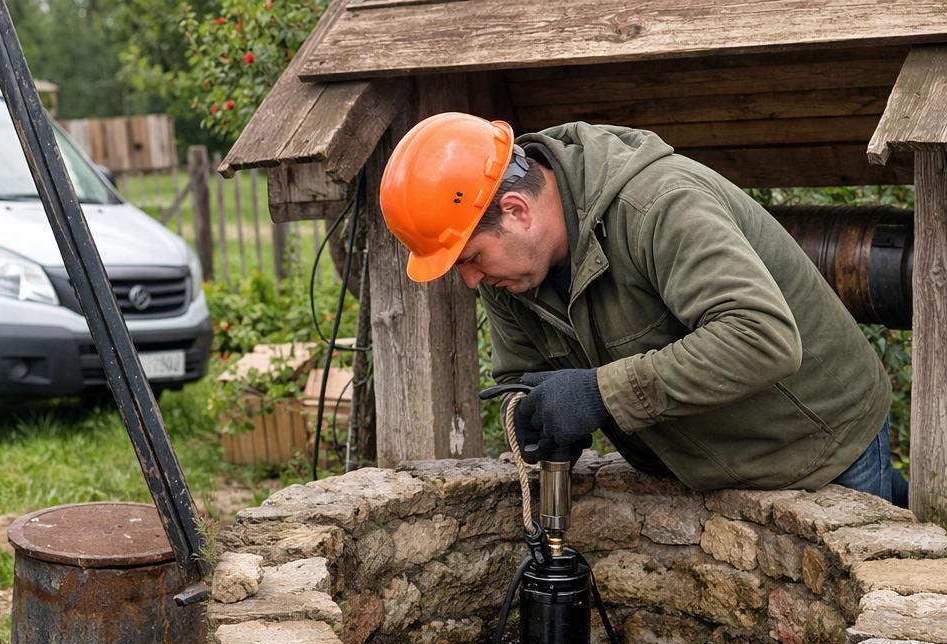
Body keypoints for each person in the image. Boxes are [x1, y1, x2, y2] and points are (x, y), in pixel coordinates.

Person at [378, 114, 908, 507]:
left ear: (516, 211)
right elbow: (523, 378)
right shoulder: (509, 274)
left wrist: (599, 395)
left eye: (471, 258)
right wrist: (535, 416)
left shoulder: (659, 204)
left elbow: (759, 335)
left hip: (817, 445)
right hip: (695, 464)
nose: (471, 280)